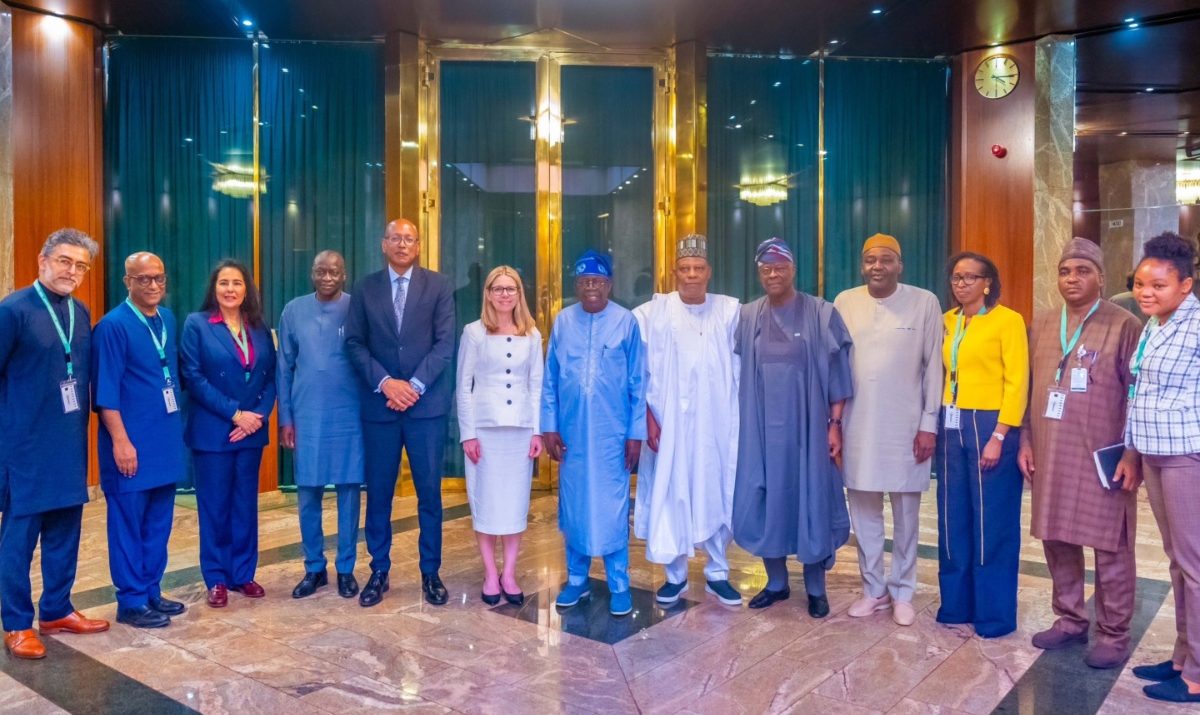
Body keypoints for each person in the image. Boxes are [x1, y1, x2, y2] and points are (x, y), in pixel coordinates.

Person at [1017, 237, 1142, 668]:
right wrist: (1026, 439)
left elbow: (1137, 394)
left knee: (1111, 546)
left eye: (1083, 271)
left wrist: (1132, 453)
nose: (1072, 279)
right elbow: (1030, 388)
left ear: (1101, 278)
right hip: (1052, 452)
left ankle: (1114, 633)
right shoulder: (1043, 323)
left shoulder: (1124, 325)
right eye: (1065, 271)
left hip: (1103, 456)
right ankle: (1070, 619)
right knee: (1057, 538)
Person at [0, 229, 109, 659]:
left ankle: (57, 610)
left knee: (65, 532)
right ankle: (16, 623)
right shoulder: (13, 310)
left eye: (81, 266)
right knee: (18, 541)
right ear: (43, 260)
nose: (72, 271)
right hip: (23, 448)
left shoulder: (80, 311)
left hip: (68, 445)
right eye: (65, 261)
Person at [732, 237, 853, 618]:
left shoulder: (821, 313)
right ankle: (776, 583)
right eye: (766, 268)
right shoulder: (749, 316)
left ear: (793, 270)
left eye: (780, 267)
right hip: (762, 430)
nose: (773, 274)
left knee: (811, 498)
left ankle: (816, 588)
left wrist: (834, 425)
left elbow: (838, 375)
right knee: (766, 498)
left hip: (808, 429)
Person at [345, 218, 455, 608]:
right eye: (396, 238)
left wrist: (414, 386)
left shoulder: (439, 286)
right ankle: (379, 570)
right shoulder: (365, 288)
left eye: (409, 239)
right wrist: (386, 383)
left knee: (429, 494)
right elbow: (354, 343)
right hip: (380, 408)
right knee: (379, 494)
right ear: (384, 244)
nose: (403, 244)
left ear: (418, 246)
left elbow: (445, 344)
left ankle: (431, 572)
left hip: (426, 410)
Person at [834, 233, 942, 627]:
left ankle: (903, 592)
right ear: (862, 266)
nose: (877, 266)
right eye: (870, 260)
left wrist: (929, 423)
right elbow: (835, 365)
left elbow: (934, 367)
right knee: (863, 513)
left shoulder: (924, 302)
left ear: (900, 265)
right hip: (857, 424)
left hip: (907, 426)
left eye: (885, 259)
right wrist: (833, 424)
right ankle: (874, 590)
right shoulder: (845, 301)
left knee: (907, 515)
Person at [633, 234, 742, 607]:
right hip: (669, 425)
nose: (692, 274)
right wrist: (648, 418)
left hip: (716, 422)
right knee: (671, 491)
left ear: (709, 272)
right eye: (685, 268)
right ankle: (675, 576)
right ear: (674, 272)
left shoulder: (729, 311)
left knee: (716, 489)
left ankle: (718, 573)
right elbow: (637, 373)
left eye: (698, 268)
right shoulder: (652, 313)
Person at [542, 249, 646, 617]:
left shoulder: (626, 322)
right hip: (571, 436)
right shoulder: (563, 322)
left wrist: (635, 433)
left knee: (611, 508)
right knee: (575, 507)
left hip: (611, 435)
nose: (591, 287)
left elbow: (638, 382)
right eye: (585, 281)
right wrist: (549, 426)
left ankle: (619, 583)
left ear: (609, 285)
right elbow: (550, 380)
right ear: (576, 285)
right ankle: (576, 580)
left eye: (598, 282)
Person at [93, 252, 188, 629]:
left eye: (158, 278)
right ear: (127, 282)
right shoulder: (112, 326)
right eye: (143, 279)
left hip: (163, 440)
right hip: (130, 444)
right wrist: (120, 441)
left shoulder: (167, 319)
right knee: (128, 525)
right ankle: (131, 600)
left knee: (158, 524)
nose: (153, 285)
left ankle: (151, 590)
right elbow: (105, 393)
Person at [936, 251, 1029, 638]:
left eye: (970, 277)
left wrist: (1000, 435)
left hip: (991, 424)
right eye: (956, 277)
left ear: (988, 282)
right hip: (951, 420)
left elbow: (1018, 381)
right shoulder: (948, 320)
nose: (961, 284)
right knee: (952, 515)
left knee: (992, 520)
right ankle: (956, 605)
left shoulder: (1008, 320)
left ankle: (994, 614)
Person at [1124, 232, 1200, 703]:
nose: (1145, 293)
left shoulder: (1196, 326)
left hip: (1185, 455)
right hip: (1154, 451)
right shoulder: (1154, 323)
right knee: (1177, 560)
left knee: (1195, 564)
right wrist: (1131, 449)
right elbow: (1139, 392)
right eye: (1139, 284)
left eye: (1158, 285)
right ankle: (1181, 656)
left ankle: (1198, 674)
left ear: (1185, 285)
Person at [181, 260, 277, 608]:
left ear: (246, 289)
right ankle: (217, 578)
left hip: (251, 432)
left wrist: (257, 417)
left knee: (245, 505)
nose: (230, 289)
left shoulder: (259, 327)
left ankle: (243, 574)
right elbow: (193, 377)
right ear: (214, 288)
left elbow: (270, 377)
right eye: (224, 283)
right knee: (215, 507)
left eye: (237, 283)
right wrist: (235, 415)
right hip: (213, 431)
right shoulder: (197, 324)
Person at [277, 251, 364, 600]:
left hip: (349, 414)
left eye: (334, 272)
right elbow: (283, 368)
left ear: (344, 275)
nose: (328, 277)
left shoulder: (357, 308)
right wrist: (285, 418)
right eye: (321, 271)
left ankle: (345, 568)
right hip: (307, 415)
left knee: (349, 492)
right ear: (312, 273)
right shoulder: (293, 310)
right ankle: (314, 567)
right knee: (307, 492)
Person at [456, 266, 543, 607]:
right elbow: (463, 387)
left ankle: (509, 573)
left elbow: (536, 386)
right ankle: (490, 573)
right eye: (498, 289)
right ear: (488, 294)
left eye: (511, 289)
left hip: (519, 431)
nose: (505, 294)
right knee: (487, 503)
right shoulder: (474, 332)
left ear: (519, 294)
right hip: (485, 431)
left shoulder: (532, 334)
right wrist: (468, 434)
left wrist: (536, 431)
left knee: (514, 505)